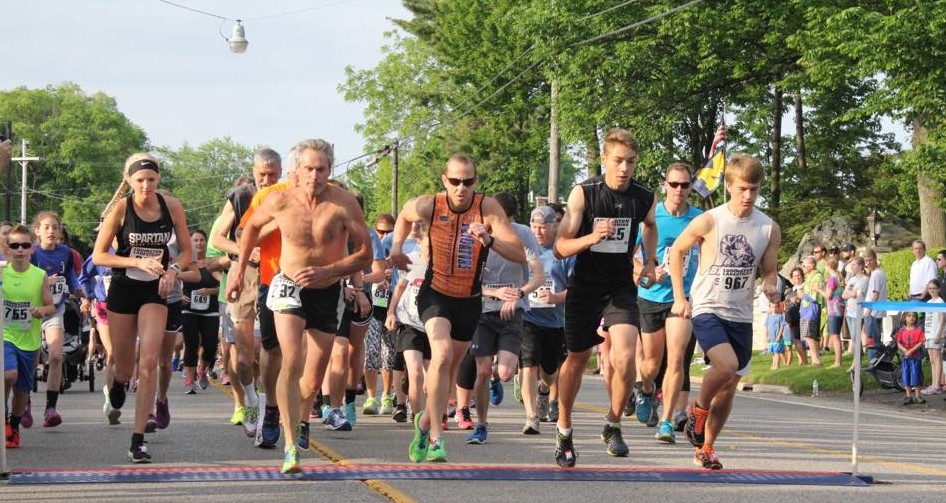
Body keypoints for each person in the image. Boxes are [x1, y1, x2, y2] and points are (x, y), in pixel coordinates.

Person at [228, 138, 372, 474]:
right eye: (309, 168)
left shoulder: (344, 203)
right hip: (287, 285)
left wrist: (329, 270)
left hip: (326, 289)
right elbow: (248, 229)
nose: (314, 176)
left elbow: (365, 254)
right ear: (297, 170)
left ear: (330, 170)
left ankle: (301, 417)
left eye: (321, 169)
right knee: (291, 360)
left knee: (312, 380)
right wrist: (237, 272)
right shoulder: (279, 199)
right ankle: (291, 447)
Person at [388, 154, 526, 463]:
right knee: (441, 354)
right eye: (455, 181)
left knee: (448, 369)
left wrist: (488, 240)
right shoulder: (431, 204)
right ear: (444, 181)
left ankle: (424, 422)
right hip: (435, 294)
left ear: (475, 182)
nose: (461, 188)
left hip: (469, 299)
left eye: (468, 181)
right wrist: (396, 247)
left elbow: (519, 253)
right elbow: (405, 215)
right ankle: (437, 437)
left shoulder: (487, 208)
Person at [552, 128, 657, 467]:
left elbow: (650, 224)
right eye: (618, 161)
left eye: (631, 162)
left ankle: (612, 424)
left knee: (625, 357)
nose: (624, 168)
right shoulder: (584, 194)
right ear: (604, 160)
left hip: (619, 287)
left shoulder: (643, 196)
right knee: (577, 359)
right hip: (585, 286)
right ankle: (564, 429)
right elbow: (560, 247)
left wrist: (650, 261)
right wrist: (591, 237)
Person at [669, 153, 781, 471]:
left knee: (729, 385)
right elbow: (677, 250)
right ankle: (698, 409)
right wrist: (680, 297)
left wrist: (770, 284)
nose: (748, 196)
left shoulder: (768, 228)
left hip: (741, 312)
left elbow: (769, 270)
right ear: (729, 185)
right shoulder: (710, 220)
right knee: (727, 366)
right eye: (742, 188)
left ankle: (706, 448)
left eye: (754, 190)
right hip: (708, 306)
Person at [92, 154, 191, 463]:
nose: (146, 186)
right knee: (124, 366)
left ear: (158, 179)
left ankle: (138, 440)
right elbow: (99, 255)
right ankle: (119, 382)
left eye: (151, 179)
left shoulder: (171, 206)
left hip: (155, 289)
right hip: (124, 287)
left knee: (148, 361)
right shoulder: (121, 209)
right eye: (140, 180)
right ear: (129, 181)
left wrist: (173, 271)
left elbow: (187, 252)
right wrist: (135, 261)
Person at [456, 192, 543, 443]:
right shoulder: (474, 235)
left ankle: (498, 378)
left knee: (504, 372)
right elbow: (465, 282)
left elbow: (538, 275)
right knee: (482, 370)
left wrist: (518, 294)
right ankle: (481, 425)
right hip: (483, 310)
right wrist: (495, 293)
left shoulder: (523, 234)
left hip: (512, 311)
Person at [211, 147, 282, 437]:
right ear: (253, 172)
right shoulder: (240, 197)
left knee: (270, 349)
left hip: (277, 273)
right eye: (262, 175)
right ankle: (250, 401)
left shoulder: (286, 196)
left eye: (272, 175)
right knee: (243, 354)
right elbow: (218, 238)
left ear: (281, 173)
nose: (266, 180)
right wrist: (244, 250)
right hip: (245, 275)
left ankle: (267, 407)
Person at [633, 162, 703, 444]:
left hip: (682, 298)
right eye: (674, 184)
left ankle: (666, 420)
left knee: (676, 358)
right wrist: (646, 271)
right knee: (651, 365)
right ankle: (646, 388)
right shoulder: (652, 217)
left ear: (690, 187)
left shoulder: (699, 219)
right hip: (651, 297)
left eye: (685, 185)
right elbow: (630, 255)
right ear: (665, 184)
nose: (679, 190)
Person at [520, 205, 573, 430]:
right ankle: (531, 417)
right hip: (528, 316)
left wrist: (555, 297)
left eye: (542, 227)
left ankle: (544, 389)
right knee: (529, 365)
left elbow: (575, 289)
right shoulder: (522, 251)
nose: (538, 232)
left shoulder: (563, 253)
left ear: (554, 227)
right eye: (534, 227)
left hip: (554, 321)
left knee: (550, 372)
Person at [30, 211, 84, 427]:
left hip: (55, 308)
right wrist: (44, 281)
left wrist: (77, 288)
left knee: (55, 356)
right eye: (46, 227)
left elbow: (70, 275)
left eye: (55, 227)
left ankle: (50, 408)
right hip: (32, 310)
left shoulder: (66, 253)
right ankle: (24, 403)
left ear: (60, 231)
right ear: (37, 231)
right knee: (31, 359)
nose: (51, 231)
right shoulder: (30, 252)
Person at [4, 225, 56, 448]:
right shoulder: (1, 272)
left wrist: (40, 311)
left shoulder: (39, 275)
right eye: (15, 245)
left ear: (32, 249)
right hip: (5, 335)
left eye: (25, 245)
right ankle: (3, 417)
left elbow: (51, 306)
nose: (20, 250)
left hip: (29, 339)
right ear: (7, 249)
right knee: (8, 375)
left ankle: (14, 426)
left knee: (22, 389)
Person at [179, 229, 221, 394]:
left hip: (210, 310)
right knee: (191, 344)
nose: (198, 243)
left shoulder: (212, 264)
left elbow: (224, 286)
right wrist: (179, 295)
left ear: (206, 242)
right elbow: (174, 280)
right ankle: (190, 380)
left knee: (210, 344)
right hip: (189, 309)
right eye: (195, 240)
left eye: (201, 240)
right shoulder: (185, 262)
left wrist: (210, 291)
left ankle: (202, 369)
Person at [862, 249, 888, 363]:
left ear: (875, 259)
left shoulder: (877, 274)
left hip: (873, 312)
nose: (868, 263)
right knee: (873, 339)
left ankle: (873, 363)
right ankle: (876, 362)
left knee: (872, 341)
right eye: (866, 261)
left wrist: (868, 310)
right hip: (875, 311)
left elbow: (875, 294)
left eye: (870, 260)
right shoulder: (875, 273)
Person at [799, 256, 824, 366]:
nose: (803, 267)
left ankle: (816, 360)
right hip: (806, 309)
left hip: (811, 309)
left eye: (804, 265)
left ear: (812, 265)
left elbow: (815, 296)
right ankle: (815, 360)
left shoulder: (817, 277)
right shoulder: (808, 277)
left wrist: (802, 295)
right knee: (809, 334)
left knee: (809, 335)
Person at [896, 312, 926, 405]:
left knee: (916, 375)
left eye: (913, 316)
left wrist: (911, 350)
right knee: (906, 375)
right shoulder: (901, 331)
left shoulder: (919, 330)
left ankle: (918, 395)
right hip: (905, 358)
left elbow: (921, 342)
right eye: (909, 316)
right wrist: (905, 350)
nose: (911, 318)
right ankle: (908, 396)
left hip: (915, 357)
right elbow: (898, 342)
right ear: (904, 318)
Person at [921, 279, 945, 396]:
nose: (931, 290)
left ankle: (937, 386)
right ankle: (933, 384)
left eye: (934, 288)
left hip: (936, 334)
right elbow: (928, 319)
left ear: (938, 289)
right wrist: (926, 334)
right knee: (932, 360)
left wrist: (938, 334)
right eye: (929, 288)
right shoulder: (929, 302)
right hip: (929, 334)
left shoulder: (940, 302)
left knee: (937, 358)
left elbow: (942, 319)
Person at [842, 257, 869, 360]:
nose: (852, 267)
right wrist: (851, 293)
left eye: (854, 265)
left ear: (860, 266)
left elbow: (856, 294)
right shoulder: (852, 279)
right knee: (853, 337)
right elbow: (844, 294)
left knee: (855, 336)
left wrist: (851, 293)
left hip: (858, 311)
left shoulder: (865, 280)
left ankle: (857, 361)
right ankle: (857, 359)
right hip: (849, 310)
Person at [823, 256, 845, 367]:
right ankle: (838, 360)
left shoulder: (832, 279)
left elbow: (828, 295)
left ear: (828, 266)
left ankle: (838, 361)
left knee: (835, 336)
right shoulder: (838, 277)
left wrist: (818, 289)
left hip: (834, 310)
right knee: (836, 336)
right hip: (840, 309)